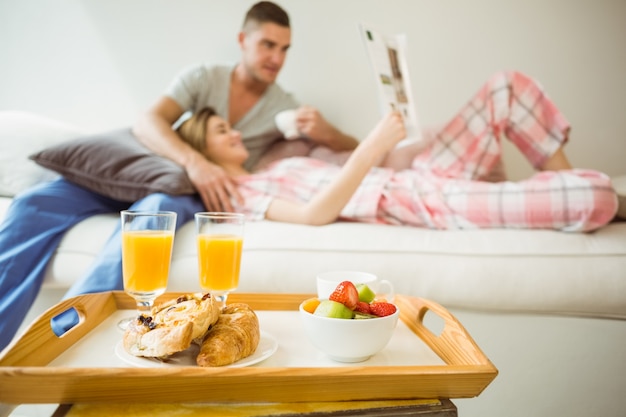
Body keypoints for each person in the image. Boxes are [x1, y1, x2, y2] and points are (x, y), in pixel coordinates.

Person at [0, 1, 357, 351]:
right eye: (267, 45)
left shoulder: (282, 105)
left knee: (150, 216)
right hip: (159, 169)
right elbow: (148, 121)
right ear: (243, 40)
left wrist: (326, 131)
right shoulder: (203, 78)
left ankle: (60, 337)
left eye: (284, 49)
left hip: (185, 192)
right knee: (34, 202)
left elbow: (350, 147)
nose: (276, 59)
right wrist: (194, 162)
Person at [176, 71, 618, 231]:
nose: (234, 133)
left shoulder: (276, 161)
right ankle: (569, 193)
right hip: (421, 202)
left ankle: (557, 182)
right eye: (221, 131)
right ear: (201, 146)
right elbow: (314, 216)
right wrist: (371, 148)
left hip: (420, 173)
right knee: (598, 198)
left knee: (507, 86)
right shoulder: (241, 194)